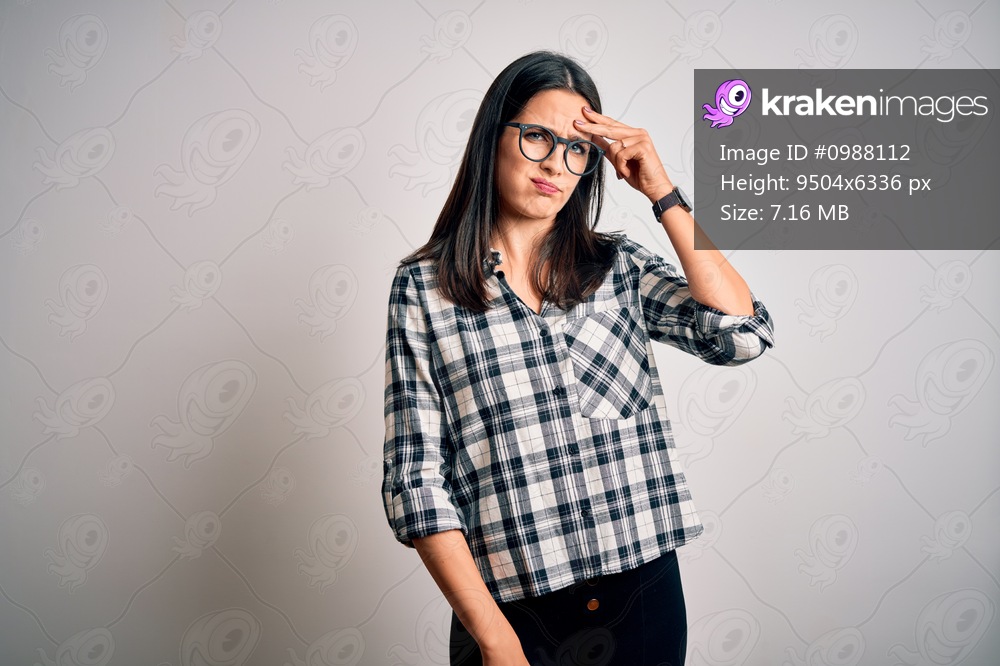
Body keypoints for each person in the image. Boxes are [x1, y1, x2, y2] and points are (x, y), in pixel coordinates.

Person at [382, 51, 774, 666]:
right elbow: (416, 484)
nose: (556, 165)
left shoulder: (617, 268)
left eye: (576, 149)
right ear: (495, 137)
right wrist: (496, 641)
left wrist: (663, 193)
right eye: (537, 136)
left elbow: (741, 335)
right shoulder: (424, 289)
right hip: (511, 613)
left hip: (642, 597)